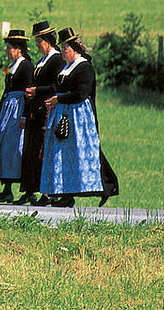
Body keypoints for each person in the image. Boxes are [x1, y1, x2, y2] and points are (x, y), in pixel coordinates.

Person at [39, 27, 120, 207]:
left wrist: (59, 99)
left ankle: (101, 187)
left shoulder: (84, 68)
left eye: (64, 49)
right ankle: (63, 194)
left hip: (78, 116)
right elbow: (58, 87)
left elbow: (81, 93)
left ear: (72, 48)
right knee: (62, 155)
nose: (62, 53)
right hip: (63, 113)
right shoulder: (68, 67)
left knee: (78, 154)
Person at [0, 29, 34, 203]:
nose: (7, 51)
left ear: (19, 49)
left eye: (9, 48)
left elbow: (28, 93)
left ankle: (25, 187)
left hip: (19, 107)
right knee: (5, 147)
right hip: (8, 108)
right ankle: (7, 188)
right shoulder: (10, 67)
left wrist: (25, 116)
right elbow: (6, 92)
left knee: (16, 147)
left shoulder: (26, 66)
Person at [20, 21, 62, 205]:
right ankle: (30, 189)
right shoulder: (40, 62)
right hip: (35, 111)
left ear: (48, 41)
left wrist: (38, 90)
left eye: (39, 42)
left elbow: (57, 85)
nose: (37, 45)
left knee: (43, 152)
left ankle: (47, 192)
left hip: (47, 109)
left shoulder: (57, 60)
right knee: (31, 151)